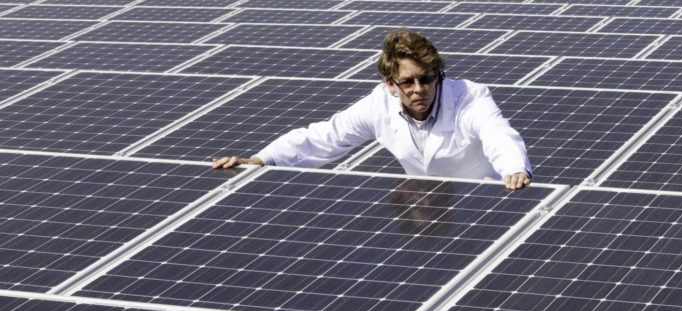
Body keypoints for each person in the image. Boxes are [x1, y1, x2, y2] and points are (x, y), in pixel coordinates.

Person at [212, 29, 532, 191]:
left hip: (488, 200)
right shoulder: (379, 104)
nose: (419, 89)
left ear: (439, 76)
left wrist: (514, 169)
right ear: (390, 83)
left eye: (427, 79)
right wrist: (260, 160)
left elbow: (497, 133)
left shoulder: (469, 97)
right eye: (407, 82)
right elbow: (326, 136)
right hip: (427, 211)